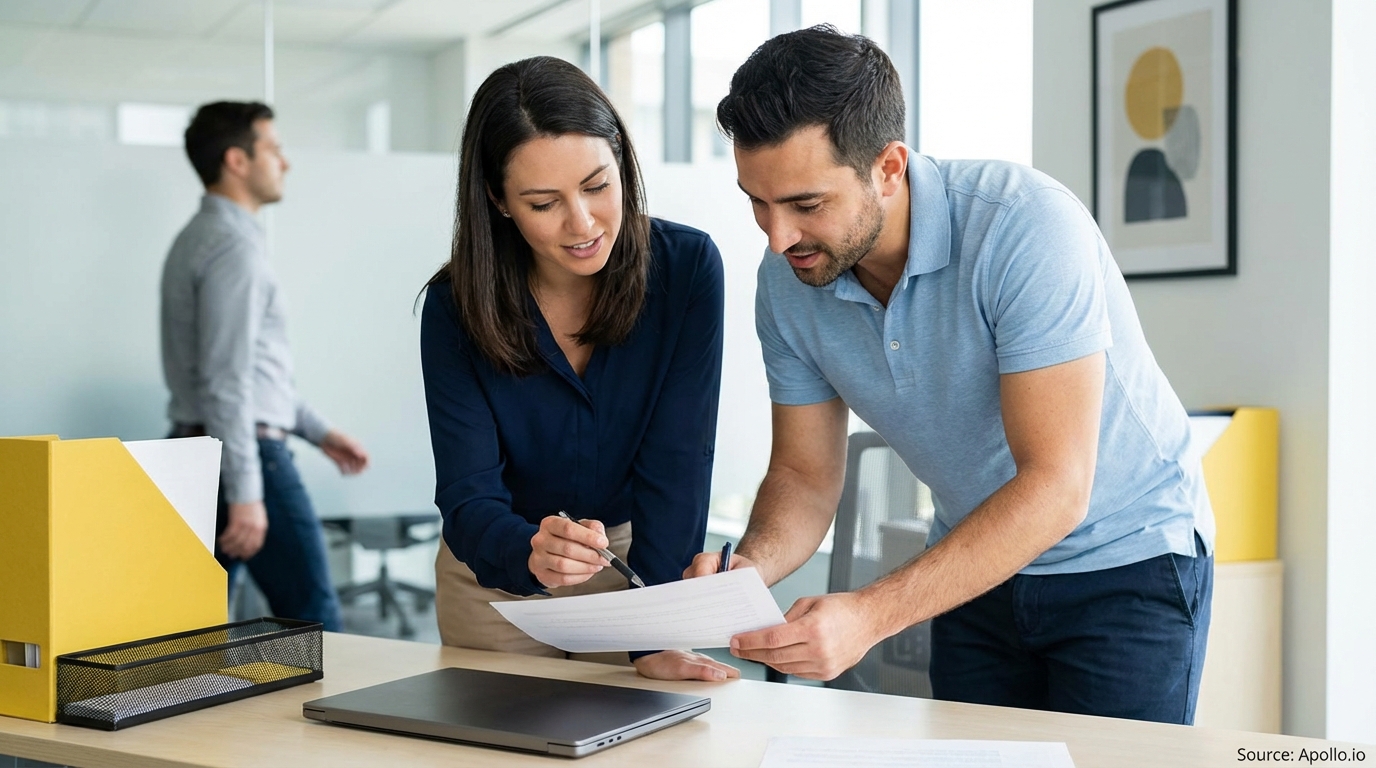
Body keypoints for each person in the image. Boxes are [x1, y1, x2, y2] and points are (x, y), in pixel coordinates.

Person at [684, 26, 1215, 724]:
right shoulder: (787, 282)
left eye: (806, 204)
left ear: (889, 168)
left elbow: (1056, 486)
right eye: (758, 200)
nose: (777, 237)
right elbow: (805, 477)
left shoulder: (1024, 227)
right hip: (974, 572)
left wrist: (869, 615)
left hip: (1126, 564)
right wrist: (749, 569)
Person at [419, 56, 737, 683]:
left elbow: (677, 464)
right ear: (498, 200)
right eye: (544, 202)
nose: (584, 223)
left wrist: (654, 630)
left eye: (597, 186)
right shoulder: (456, 305)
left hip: (625, 568)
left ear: (622, 161)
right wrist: (526, 552)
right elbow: (468, 490)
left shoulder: (686, 270)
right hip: (494, 579)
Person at [161, 101, 371, 632]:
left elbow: (246, 375)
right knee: (315, 624)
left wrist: (319, 431)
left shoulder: (197, 239)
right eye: (274, 149)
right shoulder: (233, 248)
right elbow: (228, 382)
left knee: (193, 628)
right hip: (245, 455)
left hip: (197, 449)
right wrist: (248, 494)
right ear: (237, 160)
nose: (285, 162)